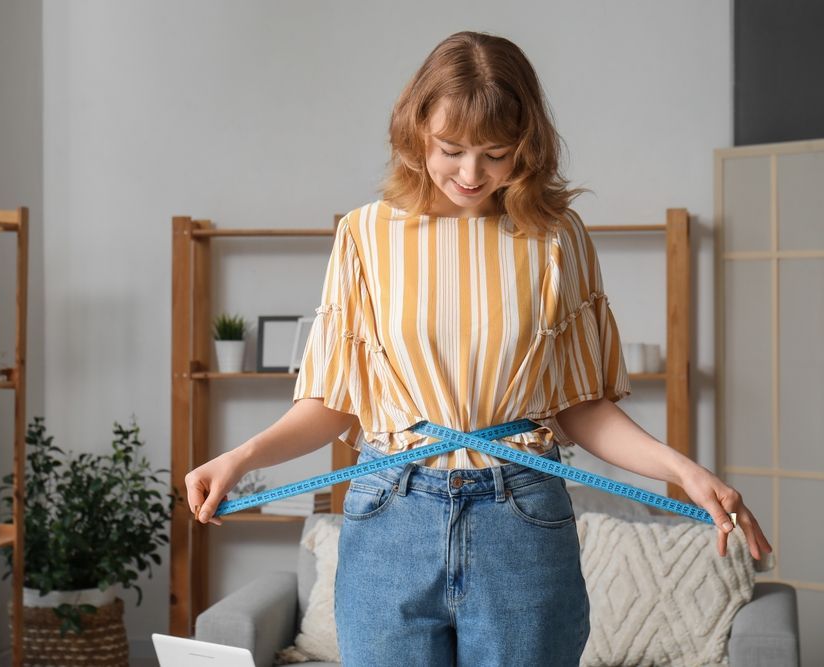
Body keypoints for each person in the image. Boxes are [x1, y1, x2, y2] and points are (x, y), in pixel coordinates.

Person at [184, 31, 773, 666]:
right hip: (390, 516)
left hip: (520, 516)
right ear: (416, 131)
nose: (471, 174)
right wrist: (240, 459)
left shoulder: (555, 239)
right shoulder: (365, 236)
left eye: (495, 153)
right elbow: (335, 403)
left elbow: (583, 407)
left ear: (527, 144)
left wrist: (684, 472)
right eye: (451, 149)